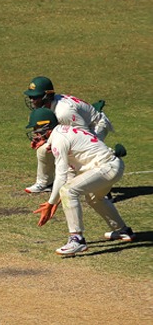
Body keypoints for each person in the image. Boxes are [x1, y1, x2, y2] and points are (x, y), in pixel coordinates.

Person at [28, 108, 135, 256]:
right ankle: (123, 231)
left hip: (106, 167)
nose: (35, 134)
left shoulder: (60, 140)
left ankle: (77, 240)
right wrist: (55, 201)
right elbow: (70, 175)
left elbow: (61, 176)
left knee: (68, 191)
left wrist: (51, 203)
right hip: (112, 166)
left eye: (37, 129)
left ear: (47, 128)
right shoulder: (62, 134)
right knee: (93, 198)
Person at [23, 76, 114, 193]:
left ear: (47, 96)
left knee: (86, 153)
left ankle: (102, 188)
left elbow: (84, 136)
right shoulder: (49, 106)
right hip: (75, 124)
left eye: (35, 97)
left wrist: (55, 142)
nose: (32, 100)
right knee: (43, 150)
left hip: (95, 125)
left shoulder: (64, 112)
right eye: (31, 96)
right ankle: (45, 183)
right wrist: (45, 140)